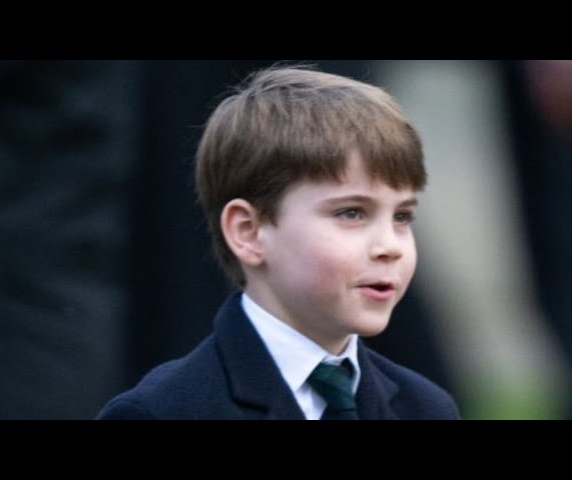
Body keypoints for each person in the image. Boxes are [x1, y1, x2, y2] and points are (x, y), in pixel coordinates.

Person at [96, 65, 460, 420]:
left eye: (402, 217)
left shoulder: (425, 406)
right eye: (351, 213)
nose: (390, 246)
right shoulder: (165, 410)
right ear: (248, 232)